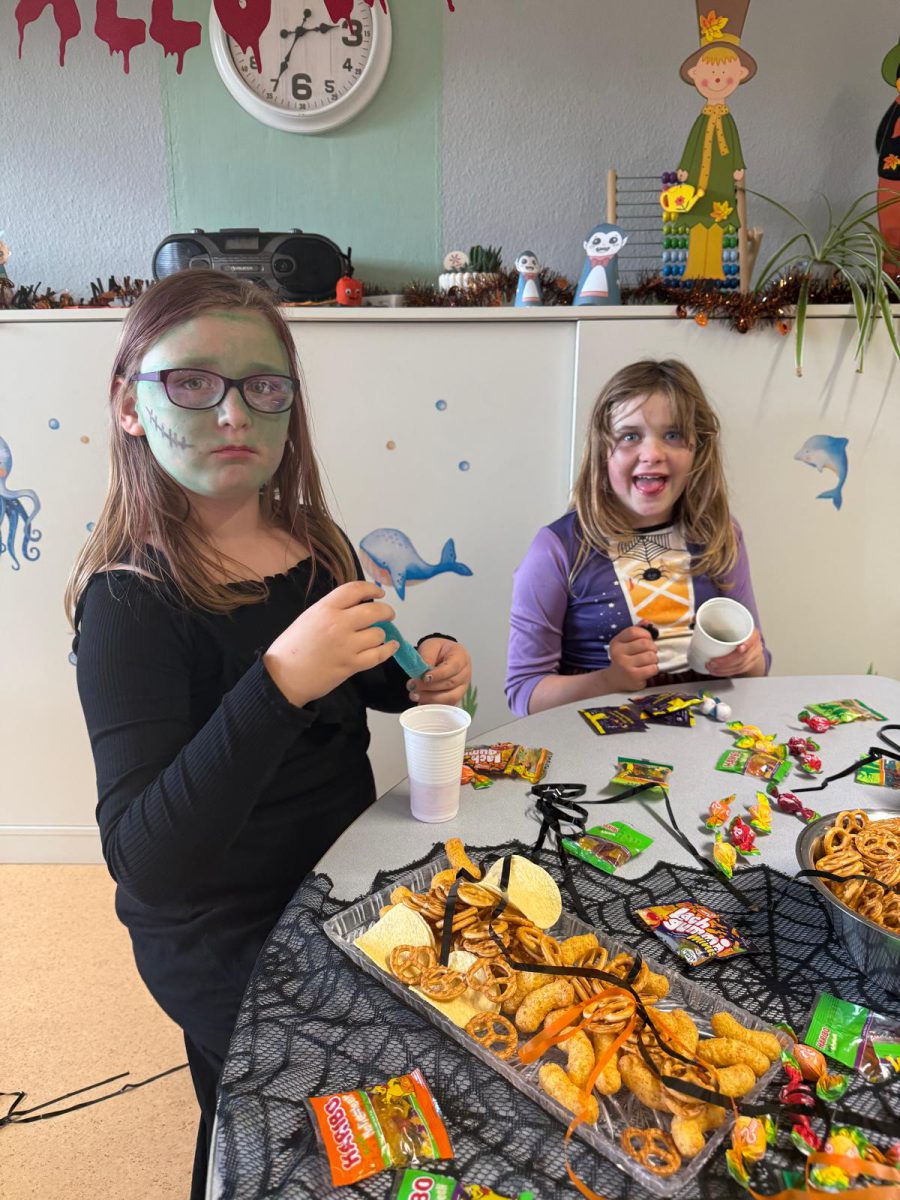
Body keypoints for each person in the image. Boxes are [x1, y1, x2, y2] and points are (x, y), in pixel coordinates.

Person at [65, 270, 472, 1199]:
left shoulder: (314, 543)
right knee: (267, 1126)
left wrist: (427, 670)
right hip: (218, 929)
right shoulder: (129, 603)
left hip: (336, 881)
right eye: (191, 383)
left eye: (264, 387)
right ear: (129, 406)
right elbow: (146, 861)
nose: (233, 413)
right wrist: (280, 680)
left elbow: (370, 677)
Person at [505, 359, 769, 717]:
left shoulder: (720, 534)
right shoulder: (557, 549)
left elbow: (759, 668)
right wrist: (608, 680)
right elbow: (523, 695)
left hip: (709, 738)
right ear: (602, 450)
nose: (652, 454)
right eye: (630, 436)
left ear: (698, 449)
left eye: (673, 435)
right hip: (598, 741)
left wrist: (750, 661)